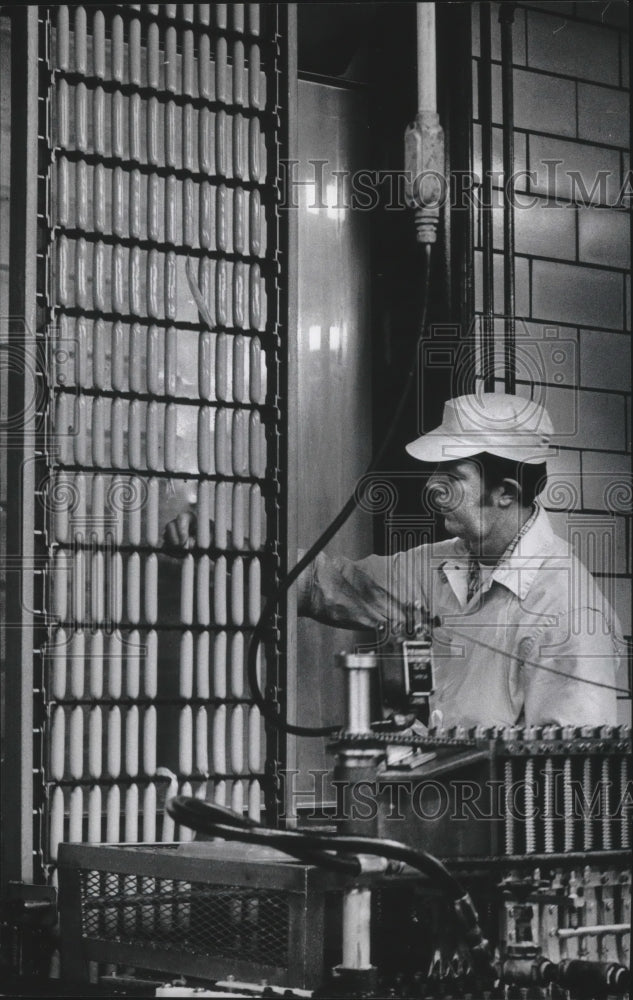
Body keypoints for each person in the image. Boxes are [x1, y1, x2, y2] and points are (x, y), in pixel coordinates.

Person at [164, 392, 621, 729]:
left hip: (497, 828)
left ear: (506, 492)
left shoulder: (567, 612)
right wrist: (219, 545)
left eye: (452, 475)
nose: (433, 487)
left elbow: (567, 775)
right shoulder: (442, 567)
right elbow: (324, 584)